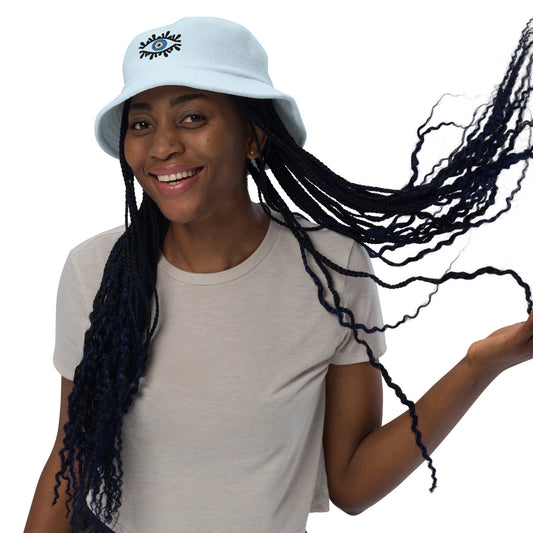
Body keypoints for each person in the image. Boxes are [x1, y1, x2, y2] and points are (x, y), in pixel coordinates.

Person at [24, 16, 533, 533]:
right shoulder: (96, 270)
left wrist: (480, 366)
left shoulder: (331, 267)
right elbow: (71, 458)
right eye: (141, 124)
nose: (161, 146)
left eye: (193, 117)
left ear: (254, 136)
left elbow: (353, 485)